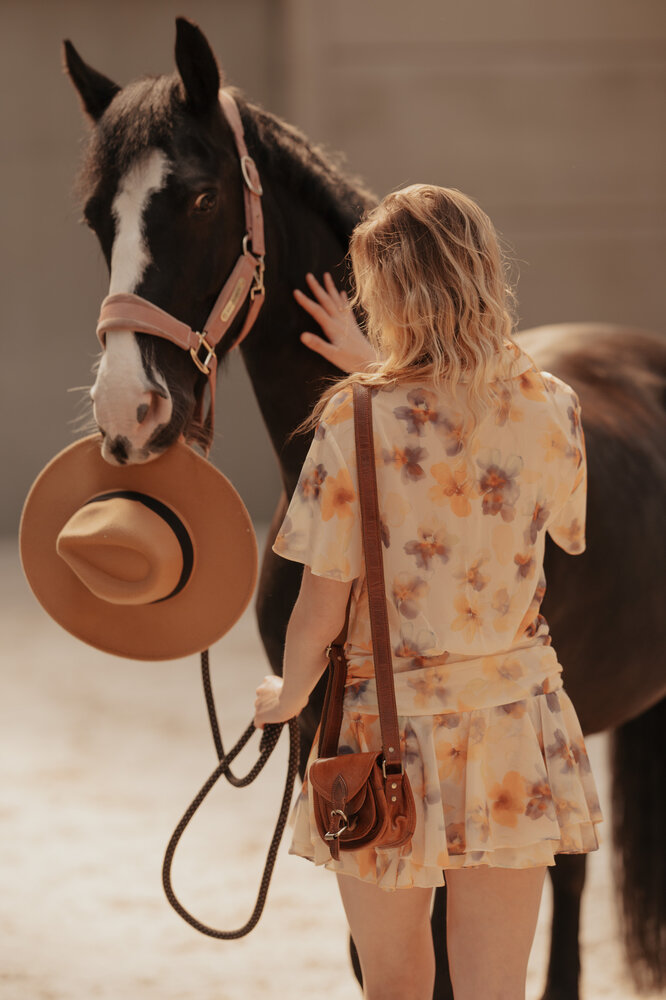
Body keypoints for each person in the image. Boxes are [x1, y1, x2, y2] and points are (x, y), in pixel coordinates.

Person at [253, 185, 602, 1000]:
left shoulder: (353, 421)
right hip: (515, 726)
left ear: (388, 296)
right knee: (494, 988)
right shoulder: (554, 409)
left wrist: (287, 693)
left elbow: (320, 605)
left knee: (396, 981)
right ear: (482, 274)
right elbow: (565, 528)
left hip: (386, 732)